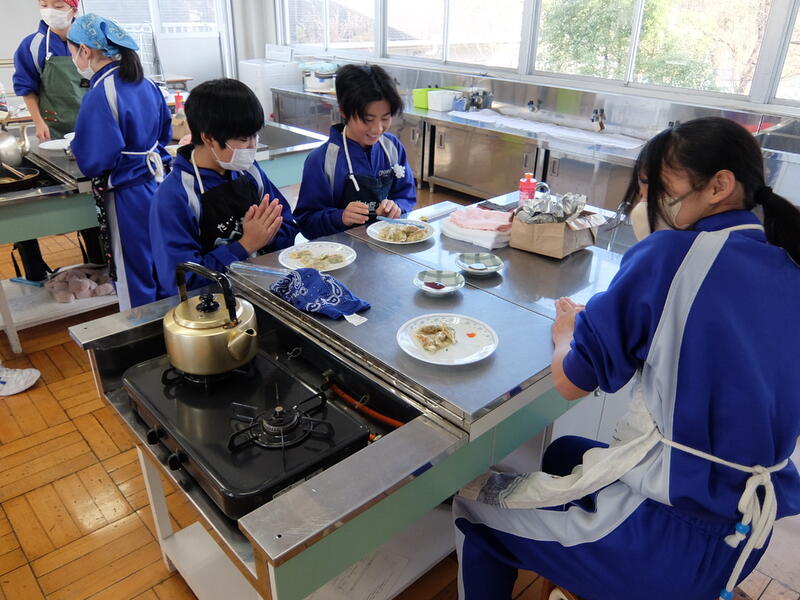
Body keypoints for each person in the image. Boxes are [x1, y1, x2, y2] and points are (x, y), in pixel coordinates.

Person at [453, 117, 800, 600]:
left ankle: (589, 565)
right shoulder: (786, 256)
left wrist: (566, 333)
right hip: (747, 525)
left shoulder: (670, 254)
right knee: (564, 453)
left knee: (473, 511)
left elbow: (571, 381)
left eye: (656, 188)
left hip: (664, 540)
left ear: (719, 186)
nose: (645, 204)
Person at [150, 78, 298, 296]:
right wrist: (245, 245)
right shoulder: (175, 196)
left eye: (255, 136)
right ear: (208, 138)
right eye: (243, 139)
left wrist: (269, 233)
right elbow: (181, 280)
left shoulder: (249, 172)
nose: (252, 146)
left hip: (260, 288)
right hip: (211, 305)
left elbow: (287, 224)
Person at [67, 14, 172, 310]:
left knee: (132, 269)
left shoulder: (101, 93)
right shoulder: (146, 83)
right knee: (160, 257)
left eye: (73, 52)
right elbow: (164, 134)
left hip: (126, 192)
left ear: (85, 50)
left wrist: (78, 145)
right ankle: (170, 317)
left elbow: (95, 159)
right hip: (158, 182)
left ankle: (141, 328)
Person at [12, 0, 103, 281]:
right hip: (55, 133)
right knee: (65, 191)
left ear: (73, 8)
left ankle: (98, 263)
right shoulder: (33, 45)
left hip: (94, 129)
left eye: (58, 4)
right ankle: (37, 273)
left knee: (92, 199)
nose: (50, 9)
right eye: (44, 4)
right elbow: (27, 88)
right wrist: (38, 121)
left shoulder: (90, 40)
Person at [293, 64, 416, 239]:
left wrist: (397, 206)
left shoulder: (392, 147)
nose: (377, 129)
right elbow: (306, 222)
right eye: (368, 119)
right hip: (339, 249)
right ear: (344, 111)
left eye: (385, 118)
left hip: (385, 243)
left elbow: (406, 194)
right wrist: (340, 217)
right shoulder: (322, 160)